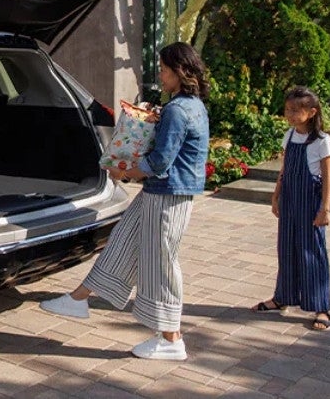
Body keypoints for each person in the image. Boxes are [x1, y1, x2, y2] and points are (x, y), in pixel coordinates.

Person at [39, 42, 210, 361]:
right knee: (122, 240)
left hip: (168, 194)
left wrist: (125, 171)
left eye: (163, 70)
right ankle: (79, 298)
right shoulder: (192, 104)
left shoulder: (178, 109)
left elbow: (160, 162)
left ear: (179, 71)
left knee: (160, 262)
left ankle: (171, 338)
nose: (160, 75)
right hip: (166, 193)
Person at [250, 86, 330, 331]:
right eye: (288, 109)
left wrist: (325, 209)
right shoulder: (289, 135)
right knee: (286, 248)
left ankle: (321, 307)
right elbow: (284, 169)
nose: (290, 114)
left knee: (312, 251)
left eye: (296, 110)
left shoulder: (322, 141)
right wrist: (276, 196)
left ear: (311, 112)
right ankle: (282, 298)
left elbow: (328, 178)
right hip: (289, 198)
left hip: (310, 201)